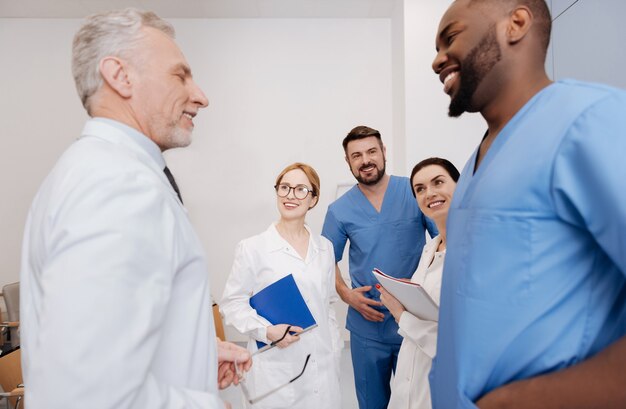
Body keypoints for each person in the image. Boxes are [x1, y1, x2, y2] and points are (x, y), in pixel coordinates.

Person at [19, 8, 251, 409]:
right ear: (120, 76)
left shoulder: (97, 171)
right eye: (180, 75)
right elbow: (84, 394)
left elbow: (103, 343)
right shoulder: (116, 184)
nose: (201, 96)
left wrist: (192, 356)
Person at [430, 0, 626, 408]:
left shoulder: (590, 122)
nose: (436, 60)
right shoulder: (472, 167)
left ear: (515, 24)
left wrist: (522, 400)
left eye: (451, 37)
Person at [321, 126, 436, 409]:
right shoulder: (339, 210)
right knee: (372, 403)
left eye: (372, 151)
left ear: (384, 152)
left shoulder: (414, 192)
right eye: (356, 155)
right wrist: (347, 295)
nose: (365, 160)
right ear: (348, 162)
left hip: (415, 321)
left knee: (418, 401)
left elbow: (443, 240)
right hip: (367, 326)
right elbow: (324, 261)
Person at [220, 163, 342, 409]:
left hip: (324, 365)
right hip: (276, 367)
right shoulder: (253, 247)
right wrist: (266, 331)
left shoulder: (325, 248)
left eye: (300, 189)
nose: (290, 195)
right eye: (284, 188)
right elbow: (232, 304)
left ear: (313, 199)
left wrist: (335, 347)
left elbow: (327, 303)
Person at [378, 157, 460, 409]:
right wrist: (409, 292)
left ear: (462, 185)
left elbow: (461, 345)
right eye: (420, 189)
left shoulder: (474, 251)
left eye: (438, 182)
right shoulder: (430, 249)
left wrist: (400, 314)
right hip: (410, 384)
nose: (430, 193)